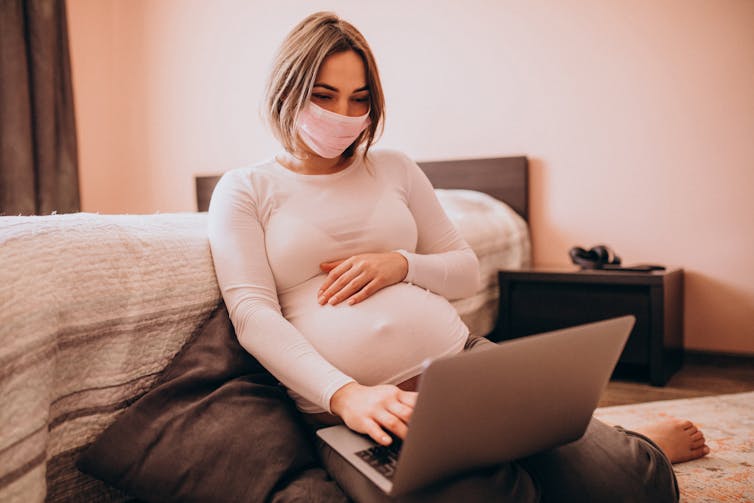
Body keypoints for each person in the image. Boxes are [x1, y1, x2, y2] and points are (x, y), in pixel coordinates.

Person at [207, 11, 708, 502]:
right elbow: (253, 314)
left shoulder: (394, 168)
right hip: (360, 411)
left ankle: (629, 445)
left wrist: (402, 263)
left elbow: (466, 271)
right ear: (286, 88)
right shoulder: (245, 188)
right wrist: (346, 394)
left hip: (464, 369)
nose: (343, 114)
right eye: (323, 95)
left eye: (359, 99)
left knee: (633, 483)